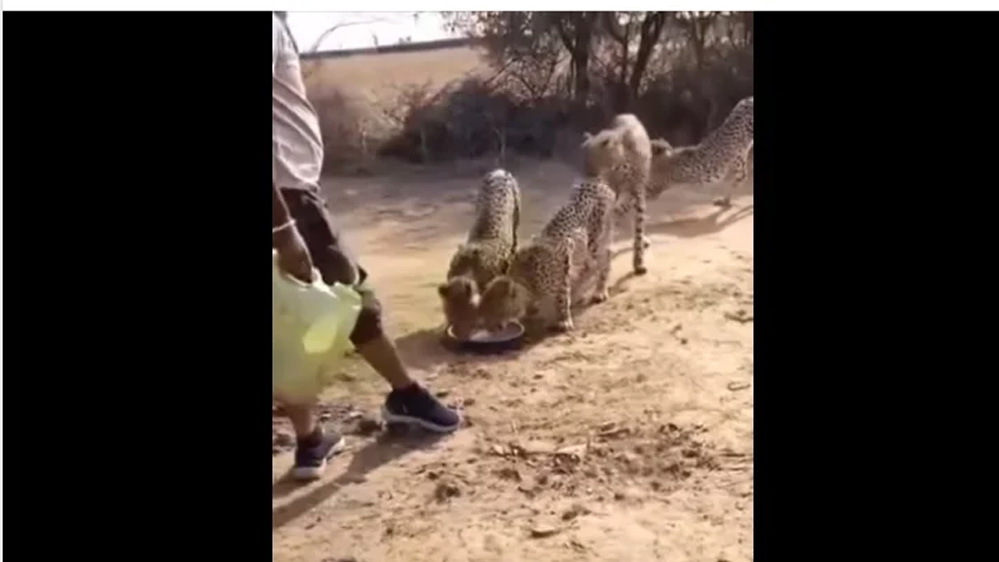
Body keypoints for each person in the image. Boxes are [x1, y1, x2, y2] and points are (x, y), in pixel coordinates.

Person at [272, 12, 460, 481]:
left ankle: (310, 439)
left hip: (289, 191)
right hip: (286, 194)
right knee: (350, 295)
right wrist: (285, 229)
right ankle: (406, 396)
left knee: (286, 316)